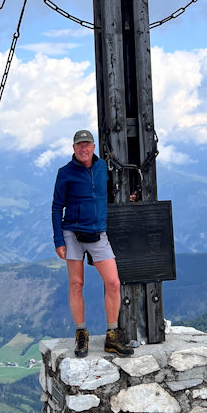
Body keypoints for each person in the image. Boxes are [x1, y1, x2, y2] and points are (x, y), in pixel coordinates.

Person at [51, 129, 134, 358]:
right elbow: (57, 206)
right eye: (79, 145)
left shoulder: (101, 168)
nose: (83, 149)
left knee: (113, 282)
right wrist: (59, 239)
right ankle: (81, 333)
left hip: (98, 233)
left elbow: (107, 193)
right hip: (72, 234)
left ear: (94, 147)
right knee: (76, 284)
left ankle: (111, 335)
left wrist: (128, 199)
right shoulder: (65, 173)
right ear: (74, 148)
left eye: (87, 144)